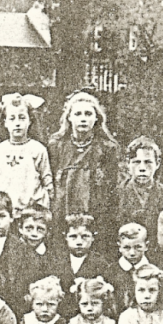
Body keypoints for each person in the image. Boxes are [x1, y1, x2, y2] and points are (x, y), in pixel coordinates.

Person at [48, 91, 119, 254]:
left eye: (88, 114)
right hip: (62, 211)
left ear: (96, 118)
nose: (83, 118)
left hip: (95, 211)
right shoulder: (57, 146)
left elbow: (112, 187)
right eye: (78, 114)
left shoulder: (107, 148)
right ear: (69, 118)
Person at [0, 93, 52, 216]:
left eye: (22, 118)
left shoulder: (38, 149)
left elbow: (47, 181)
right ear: (5, 123)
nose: (17, 123)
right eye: (12, 118)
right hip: (4, 212)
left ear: (30, 121)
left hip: (31, 212)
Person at [116, 137, 163, 264]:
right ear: (128, 163)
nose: (142, 168)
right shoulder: (115, 195)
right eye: (136, 162)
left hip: (158, 263)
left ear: (157, 163)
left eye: (148, 162)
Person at [52, 214, 110, 320]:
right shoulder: (56, 261)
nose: (79, 242)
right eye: (73, 236)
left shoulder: (100, 264)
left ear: (93, 237)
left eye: (85, 236)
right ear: (65, 237)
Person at [11, 204, 56, 311]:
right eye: (29, 228)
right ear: (20, 228)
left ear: (47, 232)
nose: (34, 234)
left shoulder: (50, 256)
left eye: (40, 229)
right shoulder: (13, 251)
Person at [105, 223, 151, 318]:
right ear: (119, 247)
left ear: (146, 246)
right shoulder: (110, 272)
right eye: (127, 247)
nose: (132, 253)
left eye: (138, 247)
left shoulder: (154, 270)